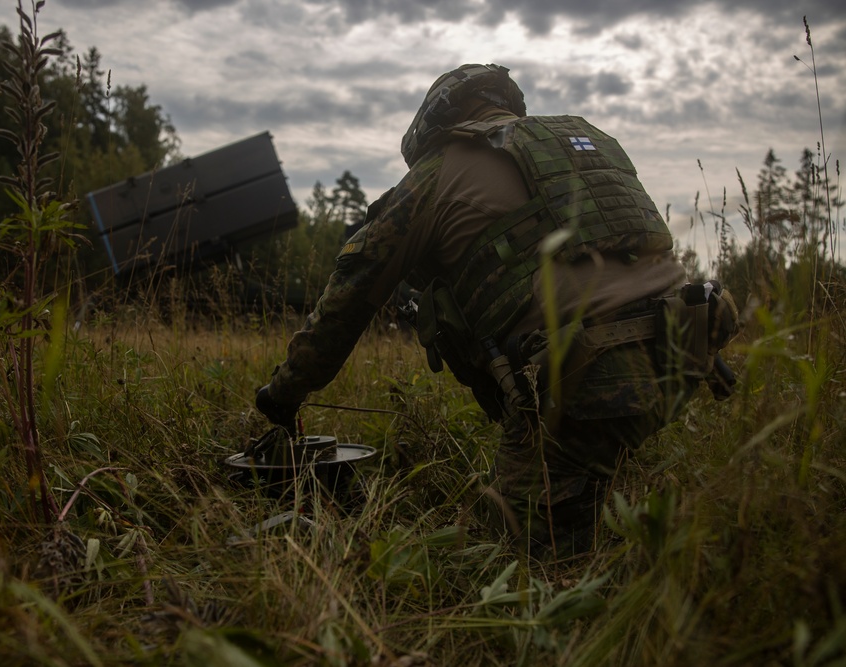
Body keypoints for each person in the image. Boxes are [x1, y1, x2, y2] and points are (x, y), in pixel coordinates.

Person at [255, 64, 738, 557]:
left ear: (433, 123)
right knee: (597, 467)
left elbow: (348, 299)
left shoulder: (439, 170)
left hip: (592, 377)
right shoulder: (582, 141)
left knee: (518, 550)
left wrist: (284, 391)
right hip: (688, 350)